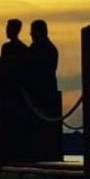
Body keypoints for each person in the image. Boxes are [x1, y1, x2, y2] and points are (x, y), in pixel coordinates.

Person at [0, 18, 31, 162]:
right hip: (14, 93)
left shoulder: (12, 48)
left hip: (13, 93)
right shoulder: (24, 49)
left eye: (8, 28)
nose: (6, 30)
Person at [28, 19, 62, 160]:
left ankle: (41, 152)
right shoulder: (50, 48)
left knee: (41, 128)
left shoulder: (38, 49)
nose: (30, 34)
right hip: (48, 90)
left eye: (32, 31)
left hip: (40, 93)